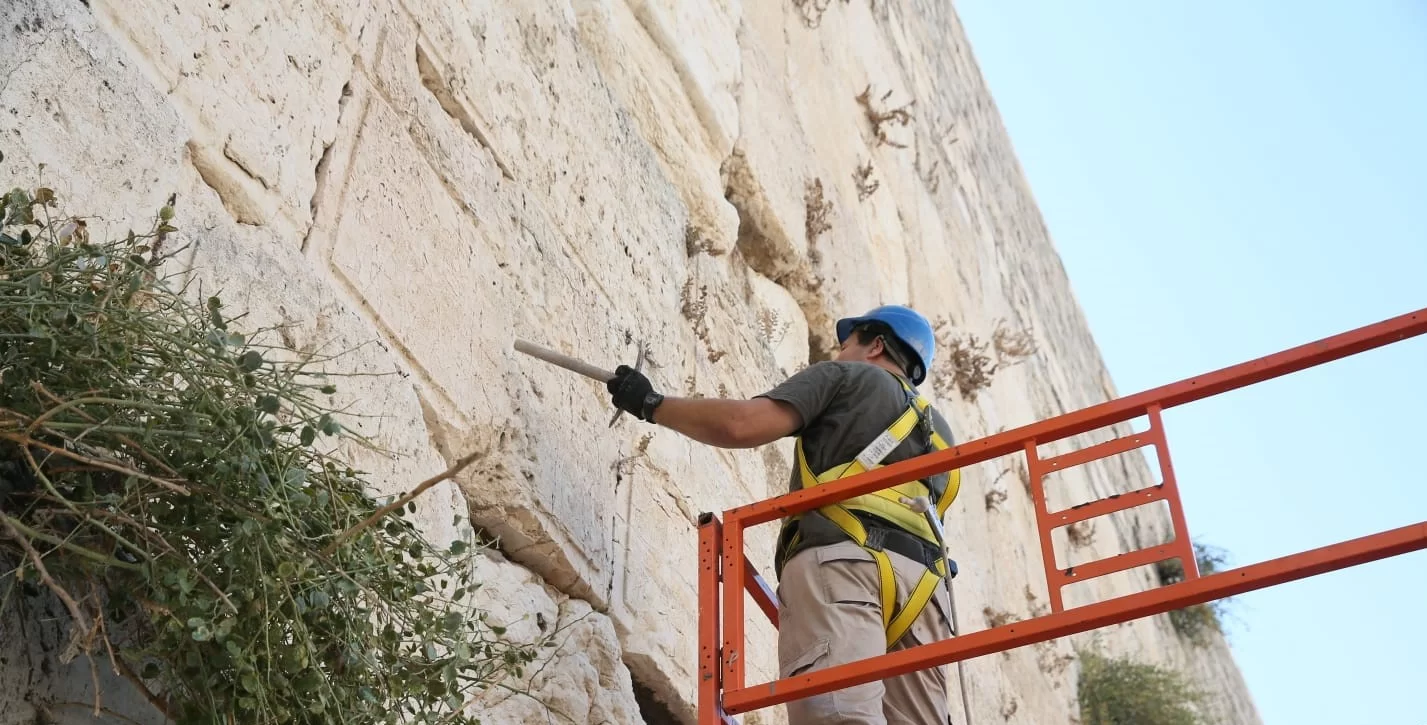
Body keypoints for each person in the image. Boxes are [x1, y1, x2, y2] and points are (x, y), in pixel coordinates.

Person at [606, 304, 962, 724]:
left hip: (844, 564)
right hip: (926, 592)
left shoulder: (845, 377)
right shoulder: (942, 434)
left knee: (838, 716)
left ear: (876, 344)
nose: (840, 350)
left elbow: (741, 425)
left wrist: (651, 404)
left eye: (846, 343)